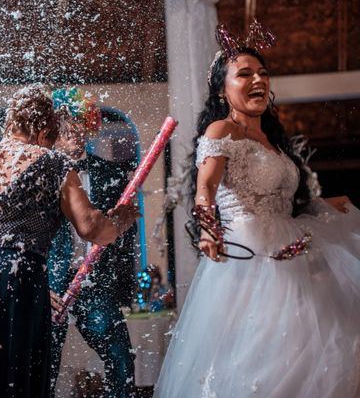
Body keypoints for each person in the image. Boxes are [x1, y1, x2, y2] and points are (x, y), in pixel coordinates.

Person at [154, 27, 360, 397]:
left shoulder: (273, 141)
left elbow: (285, 202)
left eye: (263, 73)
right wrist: (207, 229)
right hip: (251, 256)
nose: (258, 79)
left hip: (293, 245)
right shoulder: (222, 130)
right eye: (245, 73)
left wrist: (321, 205)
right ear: (222, 90)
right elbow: (205, 189)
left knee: (322, 346)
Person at [0, 84, 138, 398]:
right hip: (17, 282)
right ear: (47, 129)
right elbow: (91, 228)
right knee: (13, 374)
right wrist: (121, 220)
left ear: (8, 123)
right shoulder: (55, 165)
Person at [48, 88, 137, 398]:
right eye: (63, 126)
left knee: (121, 359)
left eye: (77, 123)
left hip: (96, 282)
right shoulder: (40, 174)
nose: (72, 131)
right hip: (49, 285)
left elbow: (123, 233)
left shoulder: (111, 173)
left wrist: (125, 285)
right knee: (42, 366)